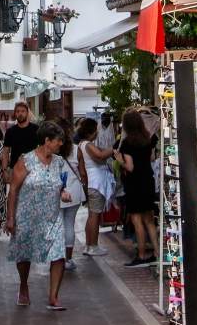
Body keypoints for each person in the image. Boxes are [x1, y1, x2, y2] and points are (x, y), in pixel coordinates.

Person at [6, 120, 72, 310]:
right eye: (58, 140)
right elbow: (13, 190)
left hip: (52, 217)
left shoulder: (59, 162)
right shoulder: (26, 160)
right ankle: (24, 285)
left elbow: (59, 185)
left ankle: (53, 297)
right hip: (27, 216)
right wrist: (10, 218)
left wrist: (63, 193)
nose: (61, 144)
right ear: (47, 140)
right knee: (24, 254)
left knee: (59, 254)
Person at [116, 109, 159, 267]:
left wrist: (119, 159)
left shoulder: (127, 143)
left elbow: (130, 167)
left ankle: (141, 255)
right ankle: (156, 252)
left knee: (136, 220)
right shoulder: (147, 139)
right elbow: (151, 158)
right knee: (149, 219)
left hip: (134, 184)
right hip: (148, 181)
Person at [75, 117, 116, 257]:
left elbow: (82, 167)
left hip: (91, 183)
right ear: (92, 131)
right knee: (95, 216)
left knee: (91, 216)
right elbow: (100, 155)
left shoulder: (81, 145)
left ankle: (88, 245)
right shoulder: (88, 145)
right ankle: (93, 245)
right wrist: (114, 148)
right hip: (97, 183)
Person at [57, 123, 87, 270]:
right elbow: (82, 173)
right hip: (74, 191)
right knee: (69, 224)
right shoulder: (76, 150)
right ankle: (68, 259)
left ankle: (57, 258)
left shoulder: (50, 150)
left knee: (58, 225)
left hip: (55, 191)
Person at [1, 101, 38, 179]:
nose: (20, 114)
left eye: (23, 111)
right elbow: (5, 152)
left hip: (33, 169)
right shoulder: (10, 131)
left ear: (27, 113)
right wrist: (4, 170)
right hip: (14, 168)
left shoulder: (36, 129)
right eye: (18, 111)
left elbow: (42, 148)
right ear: (15, 113)